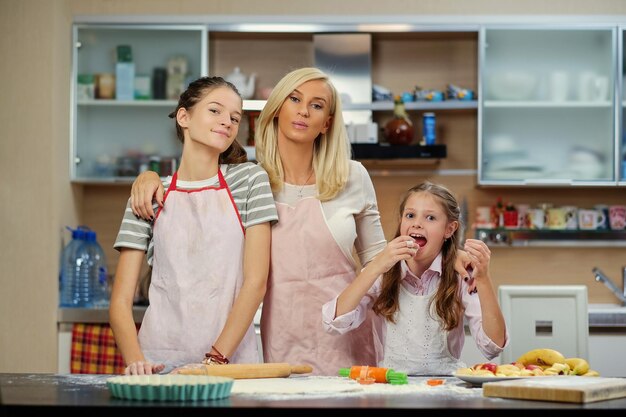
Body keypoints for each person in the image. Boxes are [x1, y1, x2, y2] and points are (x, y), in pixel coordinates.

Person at [128, 68, 474, 375]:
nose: (304, 110)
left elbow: (379, 259)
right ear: (277, 108)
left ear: (327, 123)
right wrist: (149, 176)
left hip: (347, 331)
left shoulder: (352, 177)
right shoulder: (248, 179)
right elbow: (194, 178)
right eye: (294, 99)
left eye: (317, 105)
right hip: (280, 334)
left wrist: (445, 255)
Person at [109, 76, 278, 375]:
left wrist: (214, 361)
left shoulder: (249, 181)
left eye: (235, 117)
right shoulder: (148, 194)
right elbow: (121, 300)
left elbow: (255, 284)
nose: (227, 121)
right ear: (184, 117)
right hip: (159, 359)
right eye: (215, 111)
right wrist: (137, 362)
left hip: (228, 364)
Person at [322, 181, 508, 375]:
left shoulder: (461, 274)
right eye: (410, 215)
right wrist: (375, 266)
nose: (417, 223)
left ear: (449, 229)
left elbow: (493, 346)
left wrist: (484, 279)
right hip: (392, 388)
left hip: (446, 390)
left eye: (430, 217)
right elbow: (333, 323)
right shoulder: (383, 272)